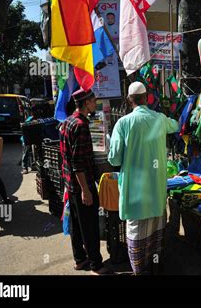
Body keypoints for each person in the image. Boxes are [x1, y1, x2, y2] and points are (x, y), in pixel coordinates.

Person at [108, 82, 179, 275]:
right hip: (156, 193)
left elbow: (114, 158)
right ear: (147, 98)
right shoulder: (160, 119)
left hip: (135, 196)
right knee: (156, 235)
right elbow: (176, 125)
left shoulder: (122, 124)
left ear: (130, 100)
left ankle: (140, 272)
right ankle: (156, 269)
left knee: (137, 237)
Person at [59, 89, 111, 275]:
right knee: (89, 226)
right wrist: (86, 190)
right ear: (86, 103)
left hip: (70, 184)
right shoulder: (80, 126)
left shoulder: (67, 122)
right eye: (93, 100)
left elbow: (66, 157)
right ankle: (96, 265)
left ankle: (80, 259)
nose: (95, 103)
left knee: (76, 223)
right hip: (82, 184)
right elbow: (78, 162)